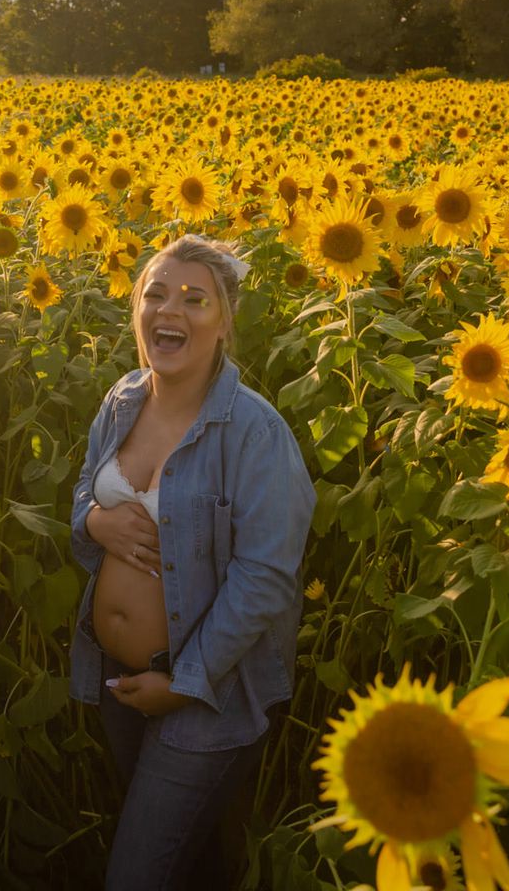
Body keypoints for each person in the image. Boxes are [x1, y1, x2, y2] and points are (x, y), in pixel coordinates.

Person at [68, 234, 316, 890]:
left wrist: (185, 682)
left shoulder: (254, 433)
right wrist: (94, 519)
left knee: (136, 874)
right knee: (187, 859)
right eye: (155, 293)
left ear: (224, 321)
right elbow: (83, 493)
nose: (168, 310)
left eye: (193, 298)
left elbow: (264, 577)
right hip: (117, 680)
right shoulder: (122, 401)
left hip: (206, 696)